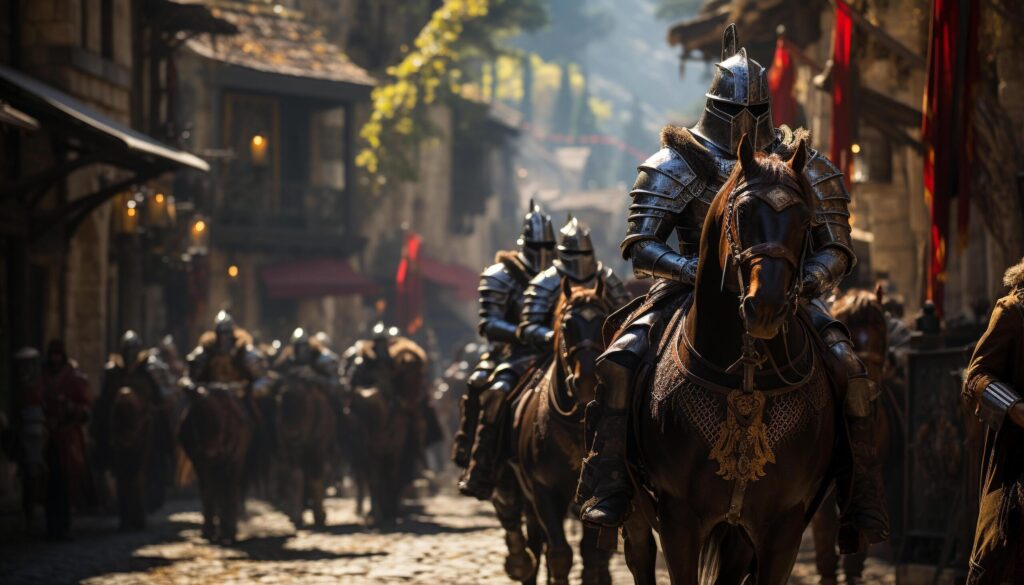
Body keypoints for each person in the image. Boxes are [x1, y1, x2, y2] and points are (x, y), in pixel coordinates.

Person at [574, 23, 889, 552]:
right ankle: (611, 480)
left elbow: (836, 246)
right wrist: (696, 273)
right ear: (714, 105)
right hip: (686, 292)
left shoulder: (802, 165)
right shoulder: (676, 162)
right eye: (735, 110)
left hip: (785, 291)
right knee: (619, 361)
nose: (746, 121)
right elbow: (641, 243)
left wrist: (804, 278)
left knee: (850, 370)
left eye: (757, 112)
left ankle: (859, 496)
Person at [459, 215, 630, 500]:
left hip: (597, 355)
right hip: (538, 355)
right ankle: (483, 465)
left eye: (584, 253)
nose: (580, 259)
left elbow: (625, 316)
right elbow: (527, 324)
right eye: (574, 253)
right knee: (497, 392)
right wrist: (552, 338)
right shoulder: (545, 281)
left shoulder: (606, 277)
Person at [451, 200, 555, 476]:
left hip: (555, 352)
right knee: (487, 389)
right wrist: (521, 333)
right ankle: (478, 459)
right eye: (538, 248)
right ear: (525, 246)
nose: (543, 255)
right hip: (512, 354)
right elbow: (489, 323)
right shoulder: (501, 276)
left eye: (548, 248)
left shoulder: (560, 276)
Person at [962, 258, 1024, 583]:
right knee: (997, 555)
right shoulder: (1014, 310)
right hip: (1019, 460)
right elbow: (976, 377)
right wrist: (1014, 407)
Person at [94, 330, 175, 508]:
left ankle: (169, 459)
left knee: (162, 431)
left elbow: (160, 397)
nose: (130, 355)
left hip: (145, 419)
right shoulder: (113, 370)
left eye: (133, 350)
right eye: (127, 350)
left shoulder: (147, 369)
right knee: (102, 430)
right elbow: (105, 399)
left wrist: (155, 407)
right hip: (119, 423)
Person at [38, 339, 92, 539]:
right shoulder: (41, 376)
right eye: (52, 354)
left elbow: (85, 409)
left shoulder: (72, 378)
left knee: (66, 485)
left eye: (58, 355)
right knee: (48, 484)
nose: (55, 359)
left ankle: (64, 526)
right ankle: (51, 526)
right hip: (47, 438)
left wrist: (70, 407)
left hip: (67, 438)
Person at [184, 311, 271, 395]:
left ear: (232, 332)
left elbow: (263, 379)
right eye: (220, 333)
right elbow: (188, 379)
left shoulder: (243, 351)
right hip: (209, 398)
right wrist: (196, 390)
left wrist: (247, 391)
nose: (223, 337)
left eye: (226, 333)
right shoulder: (207, 349)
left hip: (238, 399)